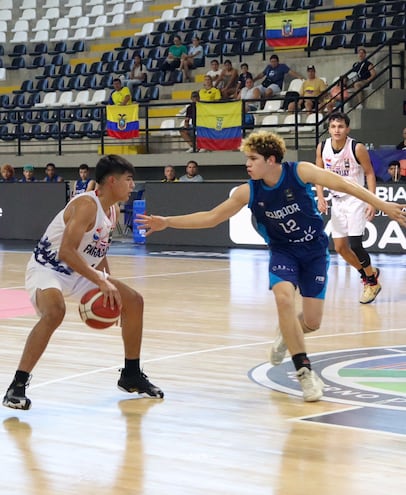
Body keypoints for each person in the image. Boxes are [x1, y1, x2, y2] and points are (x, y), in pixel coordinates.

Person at [135, 131, 406, 402]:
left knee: (312, 322)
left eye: (253, 159)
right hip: (283, 252)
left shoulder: (301, 171)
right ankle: (304, 373)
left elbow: (347, 186)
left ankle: (286, 334)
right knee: (284, 299)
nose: (247, 164)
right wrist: (167, 221)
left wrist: (384, 205)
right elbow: (211, 217)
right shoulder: (248, 191)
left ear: (272, 160)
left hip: (314, 252)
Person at [2, 155, 163, 411]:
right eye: (129, 179)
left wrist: (107, 282)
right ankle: (17, 386)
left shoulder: (113, 209)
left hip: (80, 271)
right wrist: (100, 280)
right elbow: (66, 251)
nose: (133, 185)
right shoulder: (87, 205)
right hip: (49, 268)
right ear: (112, 181)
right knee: (54, 312)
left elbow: (98, 250)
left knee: (133, 301)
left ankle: (131, 374)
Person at [315, 112, 381, 305]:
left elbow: (369, 173)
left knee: (355, 245)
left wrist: (372, 200)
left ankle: (371, 282)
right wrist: (320, 196)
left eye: (341, 126)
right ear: (328, 129)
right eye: (333, 126)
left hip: (356, 198)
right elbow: (318, 174)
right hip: (337, 201)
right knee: (340, 248)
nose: (337, 130)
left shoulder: (356, 147)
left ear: (347, 129)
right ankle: (368, 274)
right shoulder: (322, 147)